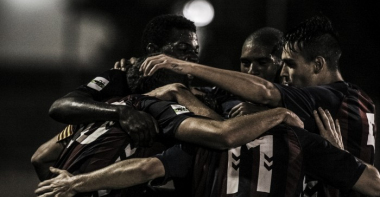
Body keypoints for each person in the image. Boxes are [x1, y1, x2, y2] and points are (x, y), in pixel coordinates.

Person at [139, 15, 376, 196]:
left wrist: (186, 67)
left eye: (289, 65)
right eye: (245, 63)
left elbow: (263, 93)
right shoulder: (359, 101)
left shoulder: (320, 99)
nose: (285, 73)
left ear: (318, 65)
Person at [35, 55, 303, 197]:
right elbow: (223, 133)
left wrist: (63, 184)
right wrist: (279, 113)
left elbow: (41, 156)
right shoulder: (160, 110)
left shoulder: (103, 108)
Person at [34, 107, 380, 197]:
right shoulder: (303, 140)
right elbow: (372, 184)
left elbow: (144, 170)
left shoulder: (205, 142)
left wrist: (76, 183)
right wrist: (338, 154)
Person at [31, 14, 200, 181]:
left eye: (195, 51)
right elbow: (60, 107)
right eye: (183, 49)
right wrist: (120, 112)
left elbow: (224, 135)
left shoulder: (196, 96)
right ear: (153, 50)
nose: (192, 57)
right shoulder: (124, 78)